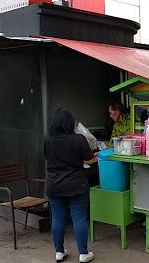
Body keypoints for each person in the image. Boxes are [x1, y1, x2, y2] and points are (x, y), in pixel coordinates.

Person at [44, 108, 96, 263]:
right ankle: (83, 254)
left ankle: (59, 252)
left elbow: (47, 158)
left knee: (58, 218)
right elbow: (89, 160)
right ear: (69, 123)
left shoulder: (47, 139)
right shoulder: (78, 139)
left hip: (54, 185)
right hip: (76, 185)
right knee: (79, 218)